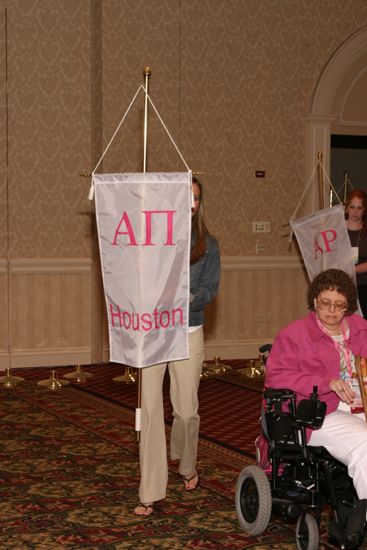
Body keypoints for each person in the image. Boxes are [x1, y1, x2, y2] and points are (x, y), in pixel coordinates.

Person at [134, 176, 221, 516]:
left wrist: (177, 299)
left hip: (187, 331)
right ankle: (149, 490)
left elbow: (209, 292)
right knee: (151, 410)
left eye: (197, 197)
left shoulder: (209, 244)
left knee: (186, 412)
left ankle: (187, 466)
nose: (192, 202)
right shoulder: (150, 239)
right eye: (186, 196)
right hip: (153, 333)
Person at [265, 268, 367, 500]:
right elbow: (276, 377)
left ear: (348, 306)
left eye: (339, 305)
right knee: (364, 442)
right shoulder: (295, 335)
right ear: (314, 301)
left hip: (360, 404)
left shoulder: (361, 328)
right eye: (325, 303)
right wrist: (326, 382)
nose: (332, 310)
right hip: (318, 412)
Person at [345, 189, 367, 318]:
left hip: (364, 286)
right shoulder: (337, 229)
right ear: (346, 208)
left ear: (364, 210)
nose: (355, 211)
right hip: (343, 285)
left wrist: (353, 269)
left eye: (359, 208)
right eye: (352, 207)